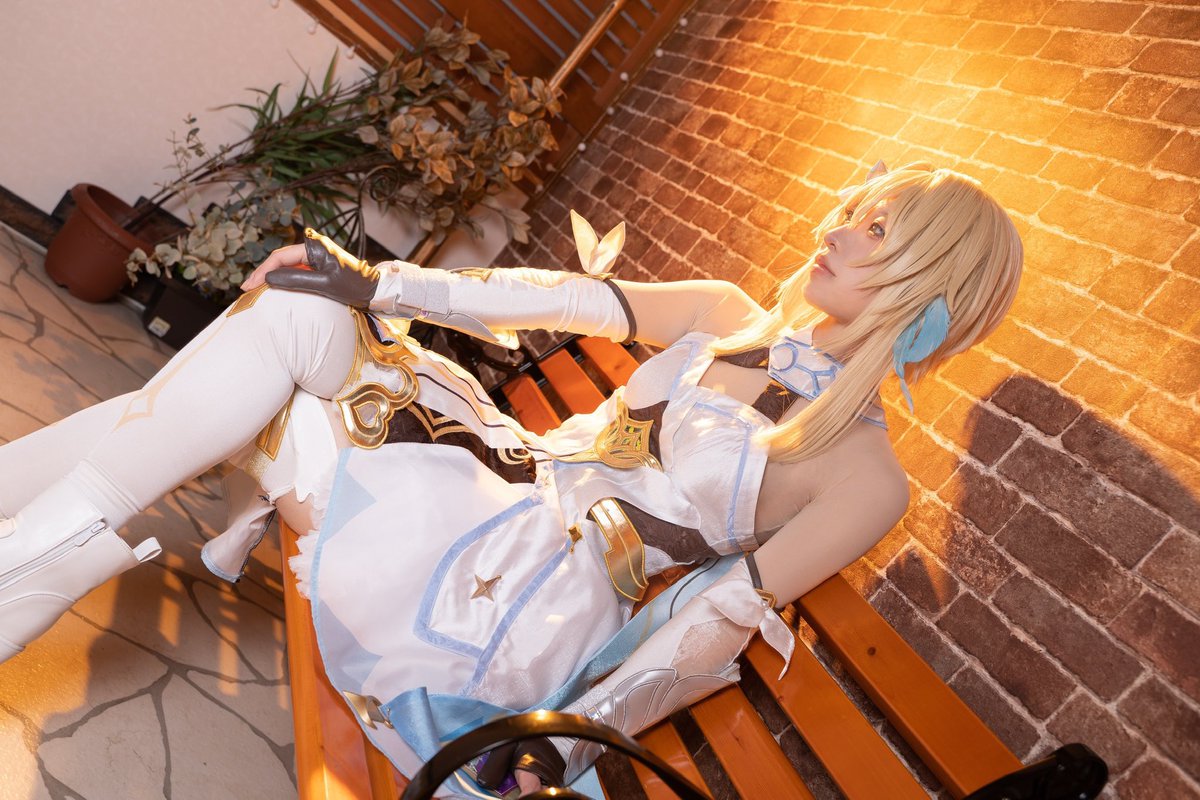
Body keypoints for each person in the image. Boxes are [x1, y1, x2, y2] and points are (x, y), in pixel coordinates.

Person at [0, 161, 1022, 796]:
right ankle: (21, 568)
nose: (835, 229)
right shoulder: (726, 312)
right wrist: (378, 283)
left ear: (936, 285)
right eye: (854, 210)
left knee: (270, 357)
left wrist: (555, 751)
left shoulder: (865, 480)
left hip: (527, 604)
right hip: (498, 476)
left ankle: (24, 559)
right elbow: (558, 298)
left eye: (877, 229)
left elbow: (705, 624)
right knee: (303, 309)